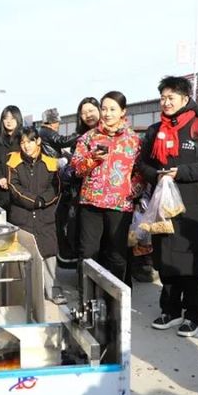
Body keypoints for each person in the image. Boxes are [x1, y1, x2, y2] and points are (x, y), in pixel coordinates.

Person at [137, 76, 198, 336]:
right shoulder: (154, 131)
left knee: (190, 260)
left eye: (171, 97)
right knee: (165, 259)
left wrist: (182, 172)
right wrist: (157, 175)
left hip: (190, 206)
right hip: (161, 205)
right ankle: (171, 310)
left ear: (185, 100)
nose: (165, 102)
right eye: (162, 97)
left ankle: (196, 312)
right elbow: (142, 164)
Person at [71, 91, 143, 286]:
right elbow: (76, 168)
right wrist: (92, 159)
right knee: (88, 253)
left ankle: (116, 303)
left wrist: (131, 189)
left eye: (112, 109)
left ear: (123, 112)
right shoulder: (89, 137)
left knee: (117, 255)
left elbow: (141, 172)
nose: (107, 113)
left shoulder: (133, 140)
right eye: (104, 109)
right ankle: (88, 300)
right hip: (90, 203)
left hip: (119, 205)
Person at [7, 126, 62, 301]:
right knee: (24, 254)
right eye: (22, 142)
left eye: (30, 141)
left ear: (37, 141)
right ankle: (24, 292)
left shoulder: (50, 162)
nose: (26, 145)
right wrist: (34, 201)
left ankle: (52, 289)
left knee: (49, 251)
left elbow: (56, 187)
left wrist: (43, 201)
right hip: (22, 215)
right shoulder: (13, 162)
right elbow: (14, 188)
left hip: (45, 215)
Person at [57, 97, 101, 269]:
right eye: (83, 113)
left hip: (109, 199)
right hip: (84, 196)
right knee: (86, 243)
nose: (88, 115)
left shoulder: (112, 136)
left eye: (91, 110)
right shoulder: (80, 139)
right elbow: (76, 168)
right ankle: (86, 285)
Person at [0, 105, 23, 210]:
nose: (9, 121)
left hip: (20, 189)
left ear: (18, 119)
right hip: (0, 190)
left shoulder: (23, 138)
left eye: (12, 118)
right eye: (5, 118)